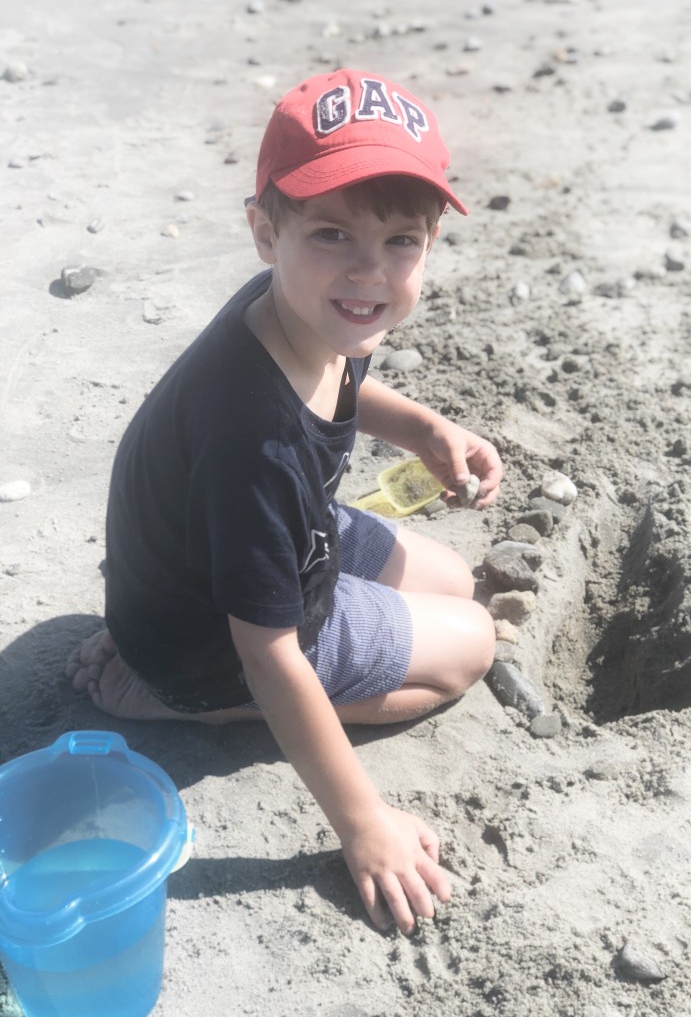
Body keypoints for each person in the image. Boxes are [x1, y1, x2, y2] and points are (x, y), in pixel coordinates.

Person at [66, 69, 502, 935]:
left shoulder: (312, 312)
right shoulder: (252, 441)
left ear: (430, 241)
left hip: (228, 550)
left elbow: (343, 383)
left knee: (452, 579)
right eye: (333, 233)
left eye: (402, 242)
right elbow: (269, 653)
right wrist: (364, 825)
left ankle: (164, 659)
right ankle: (176, 697)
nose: (369, 273)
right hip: (218, 640)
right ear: (266, 232)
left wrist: (420, 427)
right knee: (474, 646)